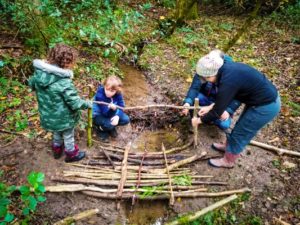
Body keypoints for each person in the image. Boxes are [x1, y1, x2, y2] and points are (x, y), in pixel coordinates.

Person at [191, 50, 281, 168]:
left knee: (241, 133)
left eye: (206, 78)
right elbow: (223, 100)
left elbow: (217, 112)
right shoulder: (225, 70)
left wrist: (199, 121)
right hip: (258, 99)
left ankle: (228, 161)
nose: (206, 81)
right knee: (240, 125)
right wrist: (209, 107)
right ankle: (228, 147)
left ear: (212, 74)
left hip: (266, 106)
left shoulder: (227, 81)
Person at [28, 44, 92, 162]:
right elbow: (75, 103)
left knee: (56, 131)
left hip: (49, 115)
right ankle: (71, 154)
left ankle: (57, 149)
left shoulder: (38, 75)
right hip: (64, 118)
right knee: (68, 135)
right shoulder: (63, 82)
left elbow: (31, 85)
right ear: (66, 63)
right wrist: (87, 103)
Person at [182, 50, 240, 130]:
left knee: (224, 124)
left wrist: (228, 111)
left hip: (222, 104)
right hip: (206, 97)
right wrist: (188, 102)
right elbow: (195, 88)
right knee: (194, 101)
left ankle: (209, 118)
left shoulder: (229, 75)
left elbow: (237, 97)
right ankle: (202, 116)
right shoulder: (204, 67)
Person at [92, 75, 130, 142]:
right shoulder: (100, 95)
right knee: (110, 124)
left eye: (112, 91)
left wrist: (117, 116)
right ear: (104, 86)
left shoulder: (118, 94)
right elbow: (105, 113)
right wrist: (113, 109)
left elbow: (121, 106)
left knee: (126, 119)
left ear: (116, 90)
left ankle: (110, 127)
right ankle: (101, 129)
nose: (109, 93)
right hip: (98, 115)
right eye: (107, 89)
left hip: (110, 112)